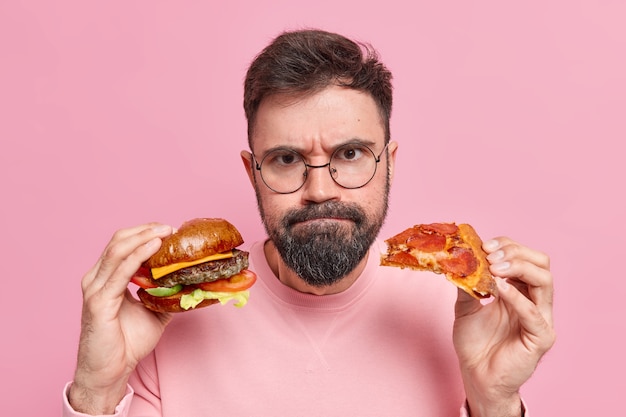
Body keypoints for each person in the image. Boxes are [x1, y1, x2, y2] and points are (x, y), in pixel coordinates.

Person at [63, 29, 555, 417]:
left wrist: (493, 403)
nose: (320, 190)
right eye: (285, 159)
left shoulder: (463, 312)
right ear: (251, 172)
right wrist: (96, 388)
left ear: (390, 163)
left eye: (351, 153)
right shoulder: (161, 322)